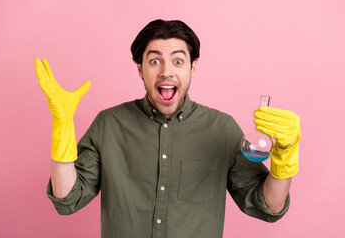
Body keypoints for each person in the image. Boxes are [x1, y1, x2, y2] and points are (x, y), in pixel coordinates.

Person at [34, 19, 301, 238]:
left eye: (178, 61)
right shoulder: (108, 124)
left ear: (193, 67)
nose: (166, 72)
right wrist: (62, 128)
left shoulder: (223, 130)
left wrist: (285, 155)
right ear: (140, 69)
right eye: (154, 61)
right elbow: (67, 198)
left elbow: (269, 206)